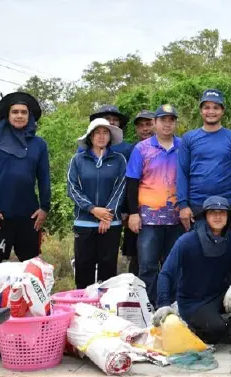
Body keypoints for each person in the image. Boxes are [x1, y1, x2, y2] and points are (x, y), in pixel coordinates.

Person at [157, 196, 231, 345]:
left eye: (222, 213)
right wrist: (164, 303)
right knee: (215, 330)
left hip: (220, 296)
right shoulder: (186, 241)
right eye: (213, 213)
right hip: (193, 303)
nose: (218, 216)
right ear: (205, 216)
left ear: (227, 217)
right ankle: (197, 325)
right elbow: (166, 273)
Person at [0, 92, 50, 264]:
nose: (19, 115)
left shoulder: (39, 144)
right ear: (8, 115)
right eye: (15, 111)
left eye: (24, 112)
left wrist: (45, 207)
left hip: (30, 216)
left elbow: (44, 177)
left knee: (31, 266)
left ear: (30, 116)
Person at [126, 104, 183, 306]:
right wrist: (133, 213)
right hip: (148, 218)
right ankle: (148, 306)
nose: (167, 124)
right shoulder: (142, 149)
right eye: (163, 120)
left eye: (171, 120)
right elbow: (132, 182)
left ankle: (170, 305)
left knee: (172, 265)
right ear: (155, 123)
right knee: (148, 265)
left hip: (176, 218)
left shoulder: (183, 147)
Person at [67, 118, 127, 289]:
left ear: (110, 136)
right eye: (97, 133)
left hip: (111, 224)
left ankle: (105, 310)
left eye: (105, 132)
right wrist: (93, 209)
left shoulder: (119, 160)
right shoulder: (77, 160)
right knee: (83, 267)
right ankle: (83, 306)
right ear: (90, 136)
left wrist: (107, 216)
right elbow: (72, 188)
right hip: (84, 222)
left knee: (107, 270)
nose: (101, 136)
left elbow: (121, 187)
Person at [178, 89, 231, 231]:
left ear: (222, 111)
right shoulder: (189, 138)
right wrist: (183, 205)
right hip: (196, 205)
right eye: (207, 107)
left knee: (224, 250)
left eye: (216, 107)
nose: (211, 111)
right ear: (201, 111)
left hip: (225, 205)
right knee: (196, 251)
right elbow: (182, 172)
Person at [121, 110, 156, 276]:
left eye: (148, 124)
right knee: (136, 257)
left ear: (156, 124)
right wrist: (128, 211)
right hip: (136, 212)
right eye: (140, 125)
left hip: (163, 213)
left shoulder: (173, 147)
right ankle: (135, 297)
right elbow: (128, 184)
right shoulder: (132, 149)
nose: (145, 129)